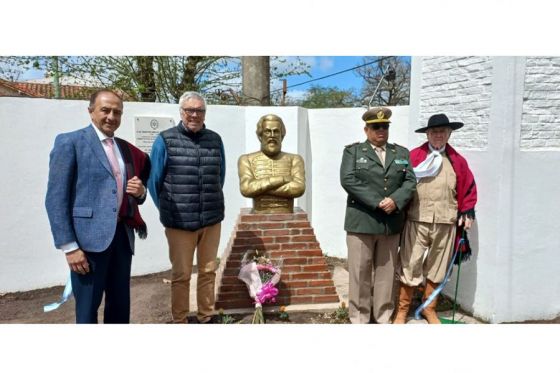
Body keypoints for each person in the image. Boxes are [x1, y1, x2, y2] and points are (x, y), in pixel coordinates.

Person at [45, 89, 150, 324]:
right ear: (90, 111)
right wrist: (70, 247)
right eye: (105, 110)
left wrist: (141, 192)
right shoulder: (70, 142)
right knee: (87, 311)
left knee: (120, 308)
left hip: (122, 238)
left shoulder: (124, 148)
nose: (112, 116)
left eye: (117, 112)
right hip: (88, 244)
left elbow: (131, 190)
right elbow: (55, 199)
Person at [148, 91, 225, 324]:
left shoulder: (215, 139)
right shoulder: (165, 140)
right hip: (179, 223)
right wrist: (167, 210)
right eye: (189, 110)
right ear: (181, 112)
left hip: (211, 220)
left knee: (208, 271)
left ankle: (206, 315)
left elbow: (219, 177)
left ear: (205, 113)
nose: (194, 114)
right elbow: (154, 182)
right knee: (181, 275)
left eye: (199, 110)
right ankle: (180, 319)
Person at [394, 113, 477, 324]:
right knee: (409, 264)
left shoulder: (458, 161)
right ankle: (402, 310)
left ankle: (429, 308)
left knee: (438, 267)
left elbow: (468, 189)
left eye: (443, 131)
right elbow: (398, 183)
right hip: (417, 220)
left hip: (445, 222)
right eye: (434, 132)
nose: (438, 135)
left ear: (449, 134)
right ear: (428, 134)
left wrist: (468, 211)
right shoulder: (413, 157)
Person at [340, 107, 416, 324]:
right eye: (376, 126)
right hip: (361, 222)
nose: (381, 130)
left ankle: (383, 317)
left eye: (385, 126)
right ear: (366, 129)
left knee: (386, 274)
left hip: (389, 224)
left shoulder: (401, 153)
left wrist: (396, 200)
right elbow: (348, 180)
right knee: (360, 273)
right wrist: (378, 201)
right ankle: (360, 318)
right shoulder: (353, 152)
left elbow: (410, 181)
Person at [238, 114, 305, 213]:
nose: (272, 135)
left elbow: (299, 188)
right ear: (260, 136)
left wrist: (259, 188)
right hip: (258, 214)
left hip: (287, 214)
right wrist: (282, 179)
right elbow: (246, 189)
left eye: (276, 131)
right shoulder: (246, 159)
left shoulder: (295, 159)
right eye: (268, 131)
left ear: (282, 136)